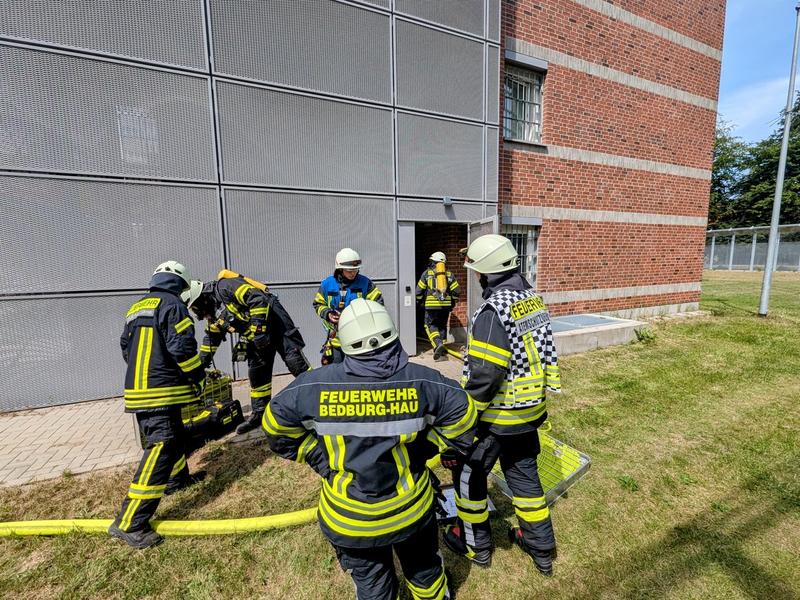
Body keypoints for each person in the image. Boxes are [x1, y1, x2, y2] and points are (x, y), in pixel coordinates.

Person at [264, 299, 478, 600]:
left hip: (349, 520)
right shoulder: (424, 381)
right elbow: (465, 417)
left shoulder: (311, 387)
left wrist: (320, 459)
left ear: (344, 343)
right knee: (425, 572)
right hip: (410, 513)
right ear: (393, 336)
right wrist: (424, 450)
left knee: (372, 586)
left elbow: (274, 425)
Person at [441, 234, 561, 576]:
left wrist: (465, 424)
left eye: (477, 271)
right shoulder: (531, 300)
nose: (476, 277)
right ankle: (540, 547)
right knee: (525, 479)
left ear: (486, 273)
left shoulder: (494, 310)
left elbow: (487, 375)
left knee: (469, 478)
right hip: (528, 413)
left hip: (496, 417)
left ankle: (475, 545)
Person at [109, 261, 208, 550]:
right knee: (162, 445)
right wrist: (198, 377)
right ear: (180, 285)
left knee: (174, 435)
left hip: (141, 390)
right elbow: (183, 350)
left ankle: (177, 480)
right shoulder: (173, 305)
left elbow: (125, 348)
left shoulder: (136, 307)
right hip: (160, 392)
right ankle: (131, 522)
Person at [183, 270, 311, 435]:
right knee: (257, 373)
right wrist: (201, 364)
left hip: (277, 325)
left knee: (295, 363)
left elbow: (257, 299)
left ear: (201, 298)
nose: (196, 313)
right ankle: (260, 413)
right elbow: (211, 339)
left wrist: (259, 331)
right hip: (257, 337)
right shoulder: (214, 312)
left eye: (195, 308)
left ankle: (316, 399)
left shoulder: (226, 286)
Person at [313, 248, 383, 365]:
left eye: (356, 270)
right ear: (340, 269)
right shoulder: (327, 284)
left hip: (358, 339)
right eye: (349, 270)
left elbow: (378, 305)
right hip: (336, 340)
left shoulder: (365, 283)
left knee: (358, 369)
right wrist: (328, 314)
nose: (353, 273)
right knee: (337, 370)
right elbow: (318, 304)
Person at [415, 251, 461, 361]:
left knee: (430, 325)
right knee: (442, 326)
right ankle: (442, 350)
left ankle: (437, 343)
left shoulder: (427, 274)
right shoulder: (449, 274)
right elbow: (457, 291)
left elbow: (418, 291)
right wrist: (452, 301)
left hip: (431, 306)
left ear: (432, 262)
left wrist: (419, 301)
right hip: (445, 306)